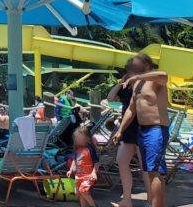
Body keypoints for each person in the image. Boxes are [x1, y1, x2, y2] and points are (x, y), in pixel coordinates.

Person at [114, 53, 168, 207]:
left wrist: (136, 77)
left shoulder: (156, 80)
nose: (132, 66)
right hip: (141, 130)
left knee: (153, 171)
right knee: (148, 170)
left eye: (135, 63)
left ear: (146, 64)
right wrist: (120, 130)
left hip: (156, 128)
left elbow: (164, 75)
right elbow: (131, 109)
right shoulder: (137, 85)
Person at [104, 59, 142, 207]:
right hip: (127, 128)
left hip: (141, 127)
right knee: (122, 161)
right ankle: (127, 199)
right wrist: (121, 82)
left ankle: (152, 200)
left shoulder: (143, 85)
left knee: (145, 167)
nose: (129, 72)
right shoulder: (125, 86)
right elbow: (110, 97)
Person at [68, 125, 98, 207]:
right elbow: (75, 160)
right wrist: (71, 170)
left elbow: (96, 163)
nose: (77, 140)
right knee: (79, 193)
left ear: (87, 138)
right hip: (78, 176)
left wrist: (94, 173)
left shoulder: (90, 149)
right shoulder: (77, 149)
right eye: (76, 138)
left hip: (88, 175)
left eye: (79, 138)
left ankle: (93, 205)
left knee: (83, 191)